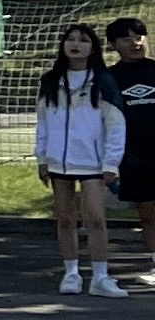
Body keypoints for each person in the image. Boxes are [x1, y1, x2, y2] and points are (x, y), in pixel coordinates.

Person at [34, 20, 130, 296]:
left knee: (95, 218)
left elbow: (116, 124)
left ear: (93, 48)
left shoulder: (103, 81)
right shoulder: (50, 81)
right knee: (65, 219)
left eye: (83, 40)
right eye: (71, 40)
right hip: (58, 162)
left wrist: (111, 162)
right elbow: (43, 122)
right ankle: (71, 273)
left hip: (93, 162)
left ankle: (101, 277)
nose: (76, 45)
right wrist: (42, 157)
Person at [107, 17, 155, 280]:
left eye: (139, 37)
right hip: (133, 155)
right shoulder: (109, 78)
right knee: (147, 212)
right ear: (114, 45)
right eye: (126, 39)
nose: (135, 43)